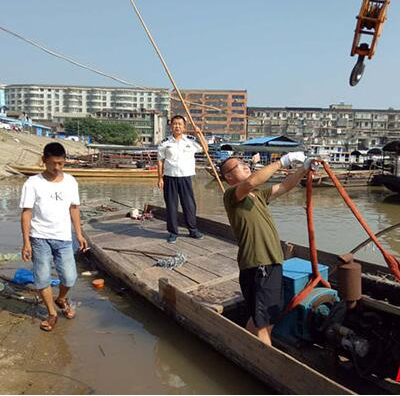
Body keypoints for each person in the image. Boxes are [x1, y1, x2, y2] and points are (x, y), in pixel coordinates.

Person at [221, 152, 318, 347]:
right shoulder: (232, 195)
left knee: (263, 319)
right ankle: (265, 362)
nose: (245, 165)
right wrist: (283, 161)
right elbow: (250, 182)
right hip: (259, 264)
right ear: (229, 177)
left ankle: (246, 350)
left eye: (243, 162)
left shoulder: (258, 195)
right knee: (264, 326)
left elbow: (284, 186)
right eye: (238, 165)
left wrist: (303, 169)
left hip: (270, 263)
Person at [20, 142, 88, 332]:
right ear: (44, 161)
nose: (57, 168)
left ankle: (61, 298)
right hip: (39, 237)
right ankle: (51, 313)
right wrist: (26, 242)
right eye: (52, 163)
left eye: (61, 163)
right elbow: (26, 213)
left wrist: (79, 234)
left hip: (63, 237)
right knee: (42, 277)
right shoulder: (33, 183)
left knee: (69, 277)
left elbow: (74, 209)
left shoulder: (70, 181)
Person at [158, 115, 206, 244]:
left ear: (184, 127)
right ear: (171, 126)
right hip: (170, 177)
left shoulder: (191, 140)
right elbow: (160, 161)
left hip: (185, 177)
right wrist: (160, 178)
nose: (177, 126)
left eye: (180, 124)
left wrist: (200, 134)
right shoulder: (165, 143)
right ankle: (173, 232)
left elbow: (205, 149)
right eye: (174, 124)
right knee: (171, 206)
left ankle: (193, 229)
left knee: (189, 205)